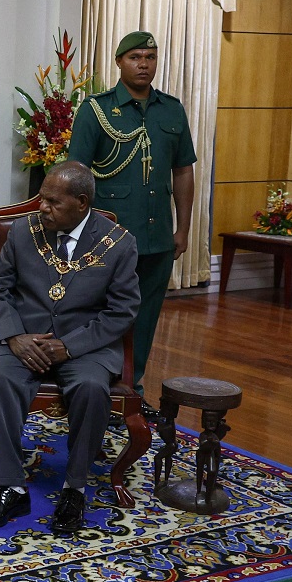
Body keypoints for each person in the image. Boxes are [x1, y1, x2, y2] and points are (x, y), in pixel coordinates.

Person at [0, 161, 140, 533]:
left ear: (81, 202)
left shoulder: (119, 244)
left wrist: (70, 346)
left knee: (92, 388)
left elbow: (121, 312)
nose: (41, 207)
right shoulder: (21, 231)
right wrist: (14, 336)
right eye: (42, 198)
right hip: (24, 340)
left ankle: (74, 488)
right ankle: (9, 486)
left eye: (52, 201)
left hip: (86, 345)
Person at [68, 31, 196, 418]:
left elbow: (183, 172)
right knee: (99, 312)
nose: (144, 64)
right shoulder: (97, 110)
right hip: (108, 239)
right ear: (120, 62)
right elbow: (75, 175)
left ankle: (130, 388)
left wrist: (184, 229)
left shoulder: (171, 109)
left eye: (151, 57)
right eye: (136, 57)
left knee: (145, 316)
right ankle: (92, 386)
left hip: (158, 237)